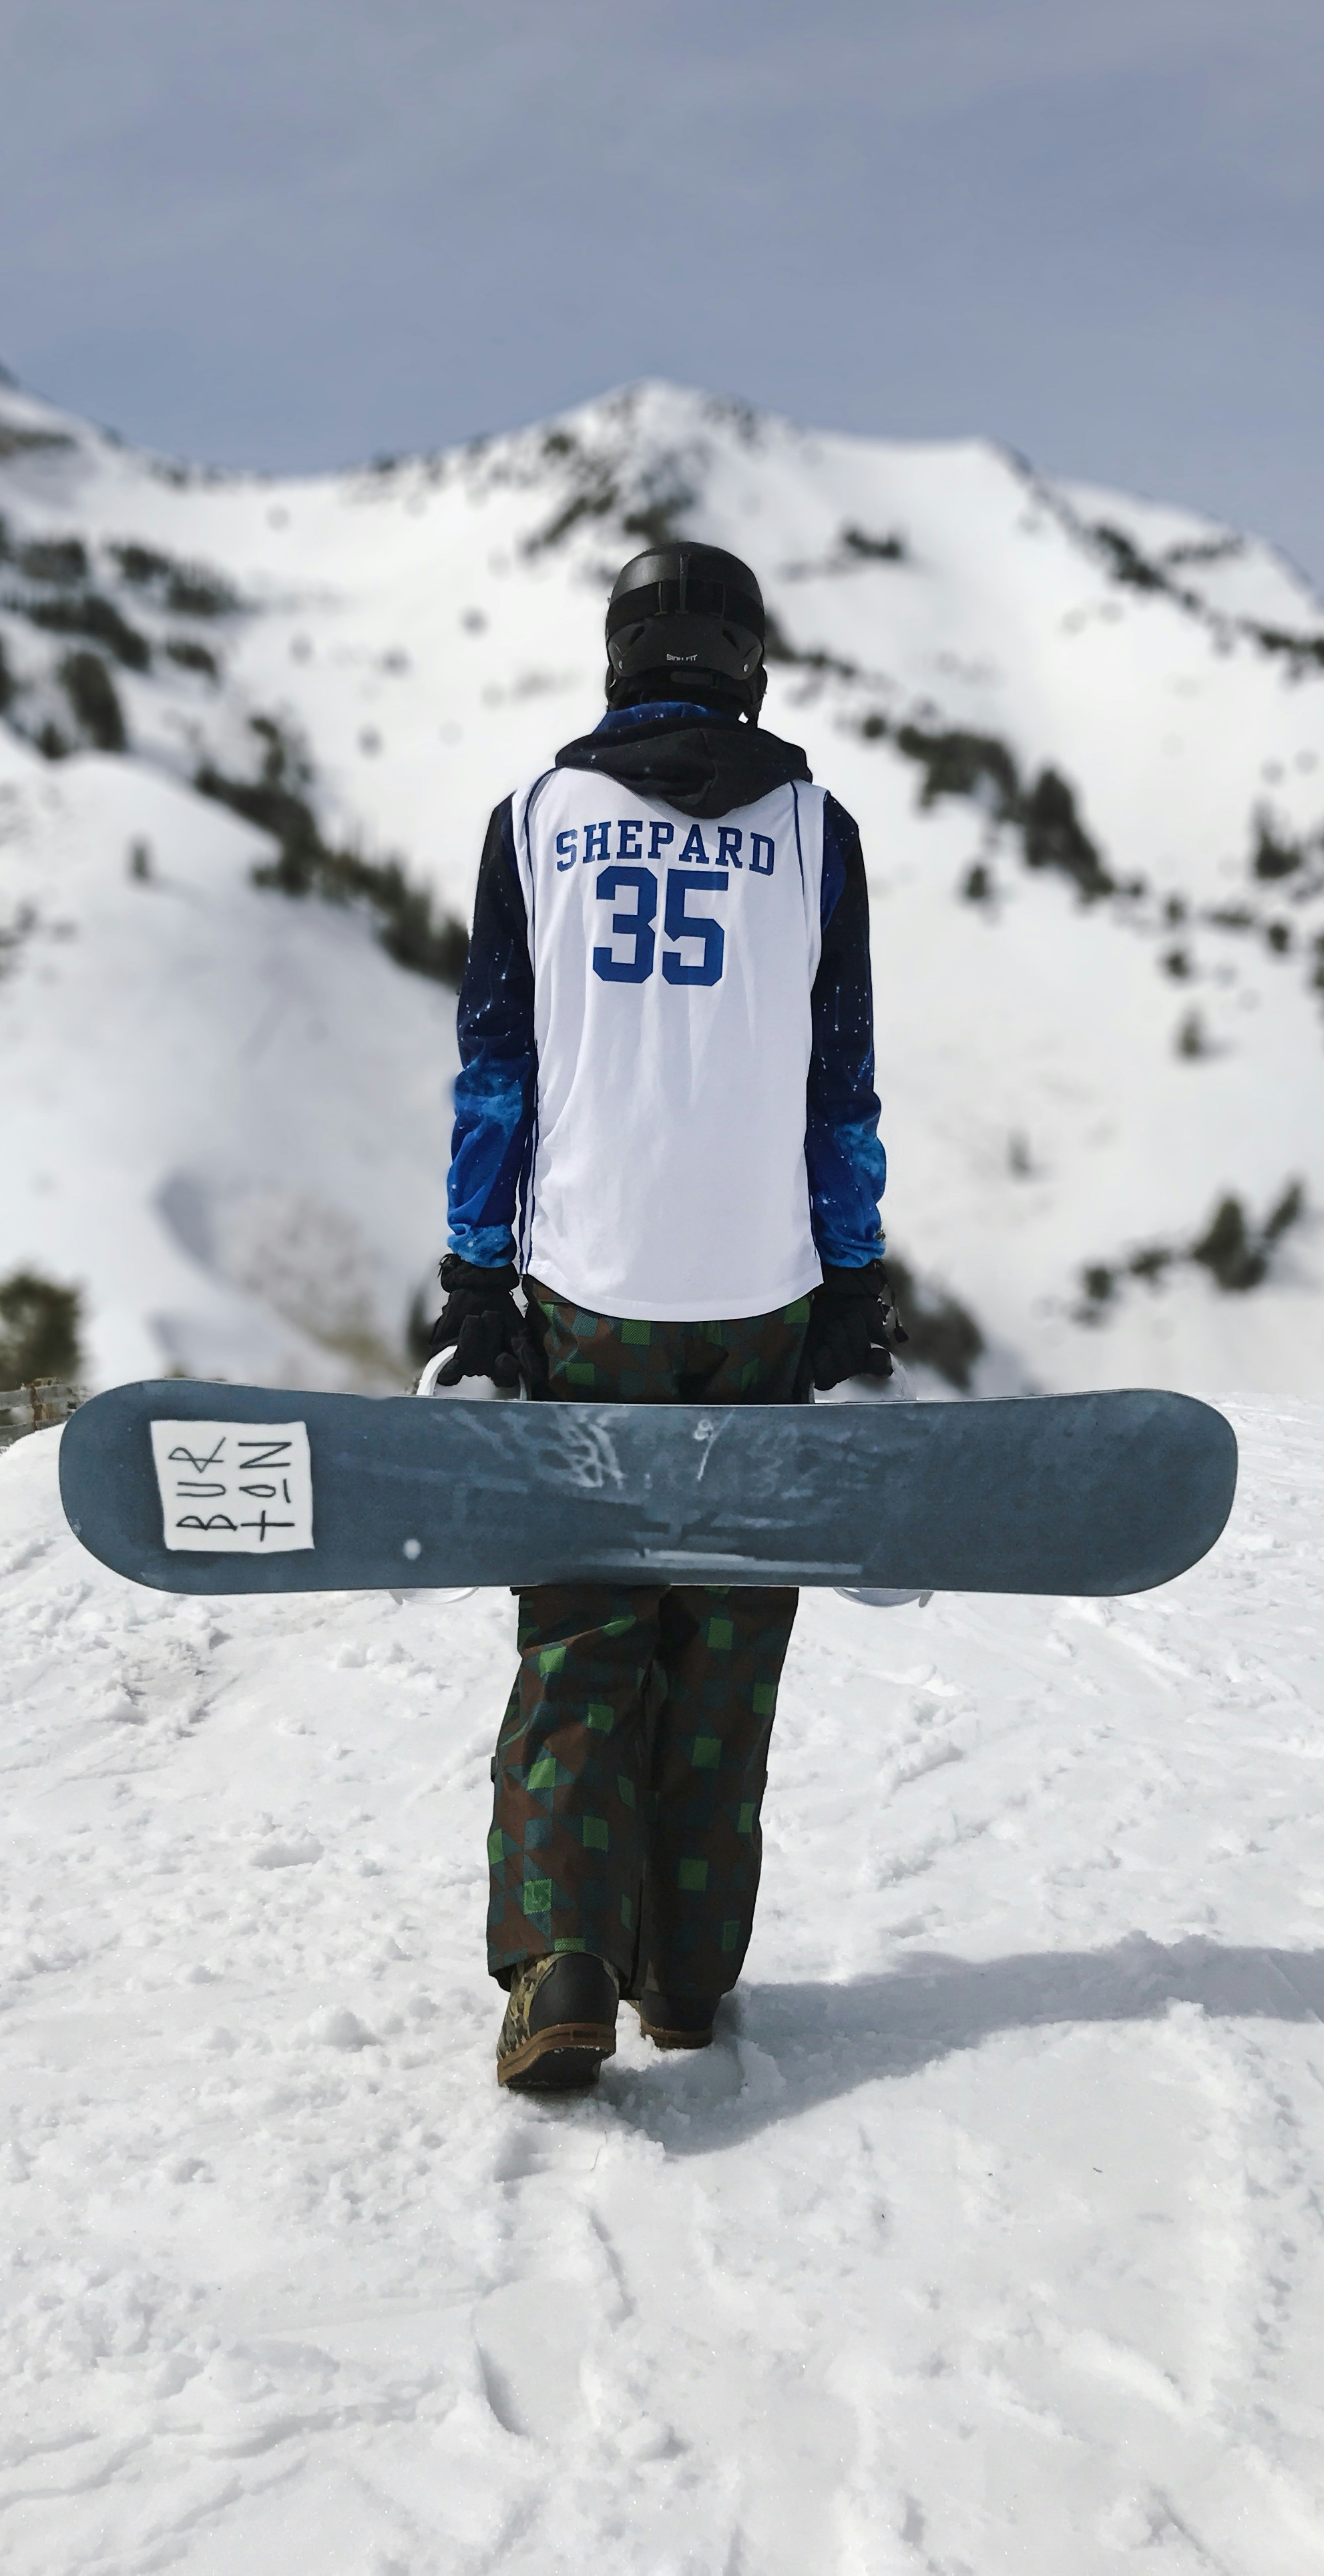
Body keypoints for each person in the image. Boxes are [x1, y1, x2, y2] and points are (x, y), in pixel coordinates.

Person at [427, 541, 899, 2091]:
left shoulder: (536, 823)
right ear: (751, 665)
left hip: (590, 1292)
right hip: (756, 1295)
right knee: (727, 1637)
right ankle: (687, 1979)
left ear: (620, 660)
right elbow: (841, 1086)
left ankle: (562, 1959)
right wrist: (853, 1280)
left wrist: (474, 1283)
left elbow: (496, 1071)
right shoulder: (817, 835)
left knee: (584, 1633)